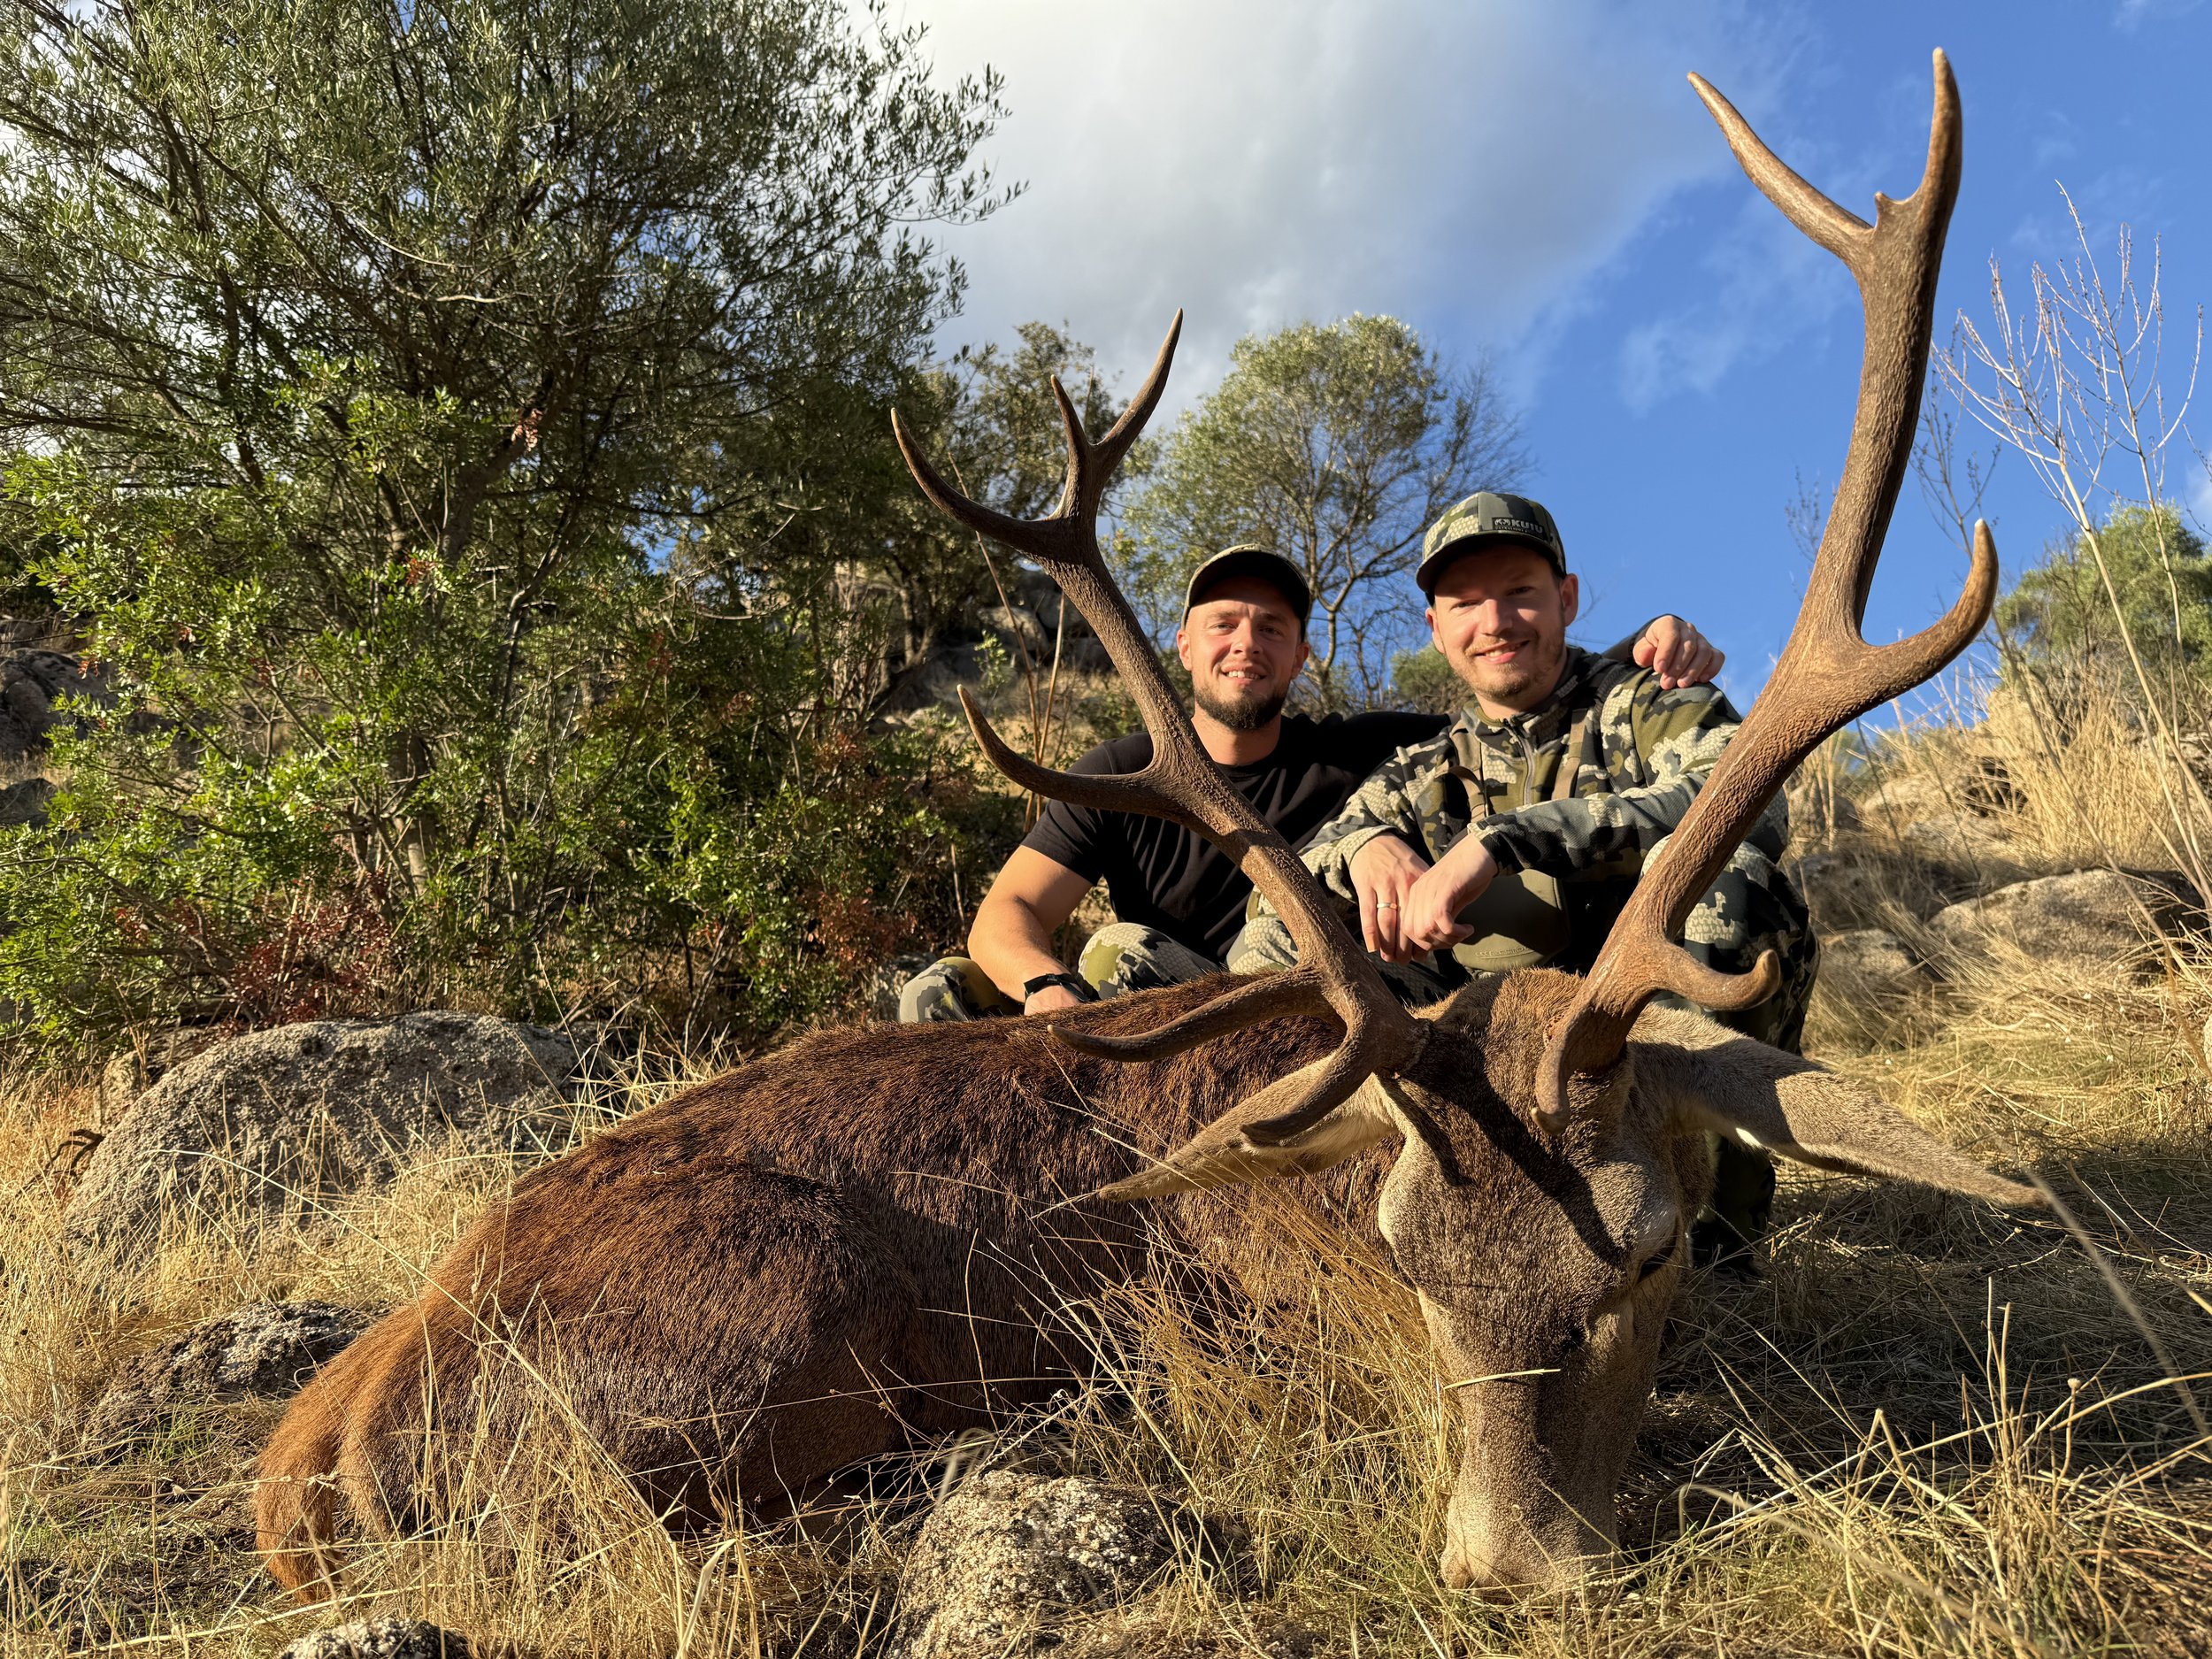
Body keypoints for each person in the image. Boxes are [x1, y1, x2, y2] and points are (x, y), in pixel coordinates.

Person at [1233, 491, 1817, 1270]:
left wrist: (1506, 841)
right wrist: (1362, 848)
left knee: (1725, 878)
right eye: (1465, 603)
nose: (1496, 621)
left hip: (1635, 1031)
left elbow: (1748, 803)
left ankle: (1705, 1239)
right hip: (1487, 1056)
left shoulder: (1648, 699)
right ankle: (1329, 1237)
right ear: (1436, 629)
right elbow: (1274, 895)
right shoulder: (1418, 770)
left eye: (1519, 592)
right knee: (1277, 941)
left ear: (1566, 599)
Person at [897, 541, 1724, 1021]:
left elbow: (1509, 702)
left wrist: (1644, 646)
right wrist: (1045, 986)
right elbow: (1006, 913)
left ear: (1301, 655)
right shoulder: (1118, 772)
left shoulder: (1359, 752)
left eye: (1272, 628)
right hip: (1154, 1003)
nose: (1246, 644)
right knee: (941, 993)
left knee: (1119, 953)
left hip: (1300, 1003)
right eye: (1223, 624)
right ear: (1184, 645)